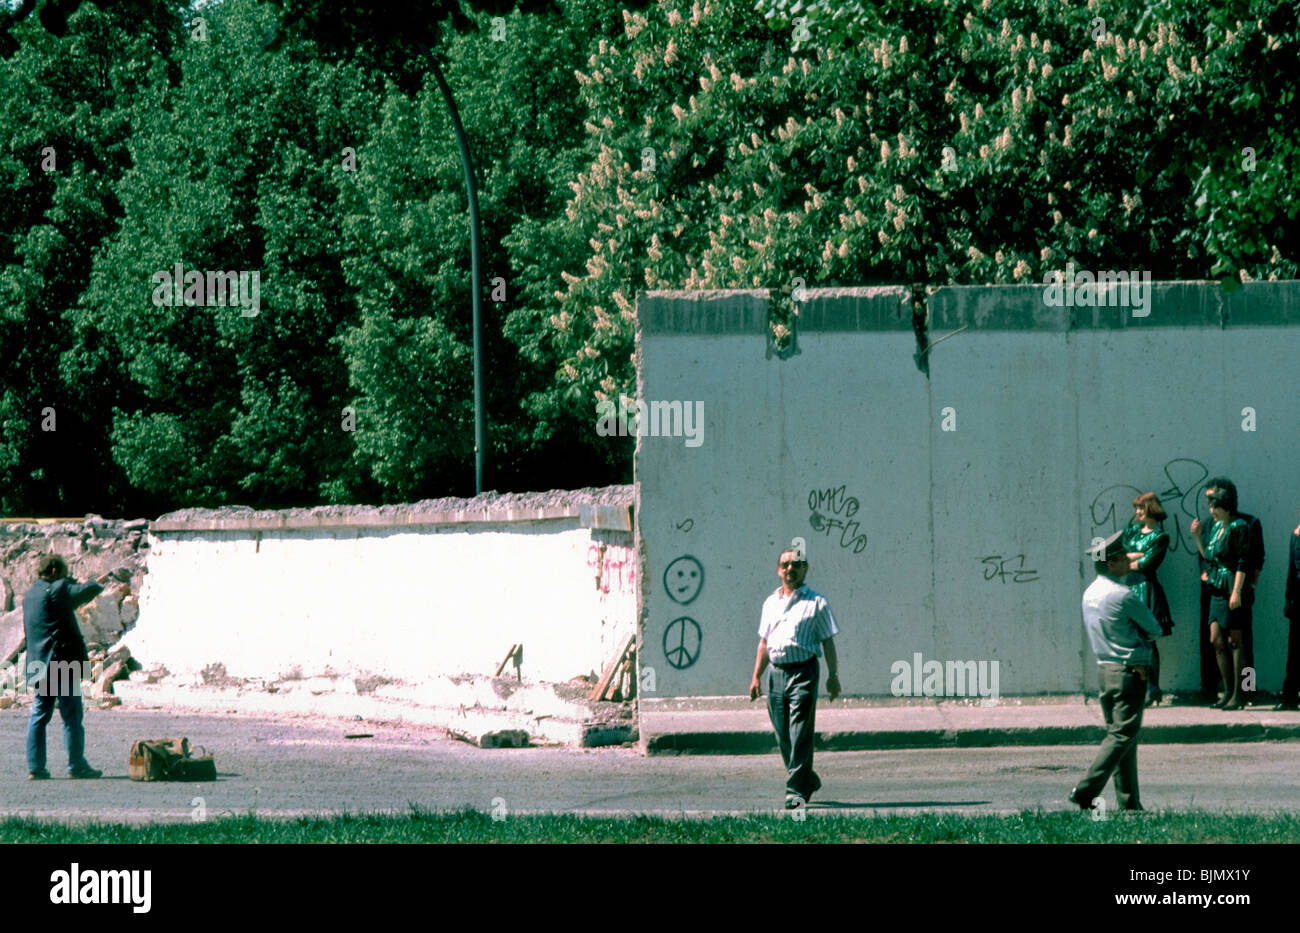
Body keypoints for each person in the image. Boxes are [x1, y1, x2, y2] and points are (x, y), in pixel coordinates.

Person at [1070, 531, 1164, 813]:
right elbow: (1155, 628)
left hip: (1104, 670)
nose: (1128, 561)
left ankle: (1130, 805)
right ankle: (1086, 790)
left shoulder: (1089, 594)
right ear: (1111, 563)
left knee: (1124, 738)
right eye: (1123, 557)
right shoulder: (1124, 595)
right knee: (1122, 735)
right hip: (1129, 672)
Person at [749, 547, 841, 810]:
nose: (791, 569)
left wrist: (833, 676)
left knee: (800, 730)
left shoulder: (817, 603)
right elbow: (764, 643)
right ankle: (807, 777)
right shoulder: (770, 603)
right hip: (775, 673)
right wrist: (756, 676)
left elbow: (828, 643)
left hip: (804, 672)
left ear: (805, 569)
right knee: (782, 733)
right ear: (779, 570)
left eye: (796, 565)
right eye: (785, 565)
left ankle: (796, 791)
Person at [23, 555, 115, 779]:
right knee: (72, 716)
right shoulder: (59, 589)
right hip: (61, 661)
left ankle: (36, 767)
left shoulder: (30, 595)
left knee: (39, 715)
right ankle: (76, 765)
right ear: (55, 570)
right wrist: (86, 579)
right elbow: (88, 590)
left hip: (38, 662)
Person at [1197, 478, 1264, 704]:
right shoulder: (1209, 524)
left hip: (1238, 589)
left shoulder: (1249, 523)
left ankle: (1247, 689)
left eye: (1212, 500)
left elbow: (1255, 559)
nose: (1209, 506)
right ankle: (1219, 689)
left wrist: (1249, 587)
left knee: (1243, 642)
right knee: (1215, 640)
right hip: (1215, 587)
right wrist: (1205, 573)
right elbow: (1205, 555)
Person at [1123, 493, 1174, 706]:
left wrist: (1131, 559)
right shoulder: (1132, 530)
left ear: (1151, 509)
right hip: (1130, 588)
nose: (1137, 512)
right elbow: (1118, 555)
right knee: (1132, 641)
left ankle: (1152, 688)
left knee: (1148, 641)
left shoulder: (1160, 537)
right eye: (1136, 508)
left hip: (1146, 589)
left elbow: (1148, 563)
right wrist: (1135, 557)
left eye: (1141, 508)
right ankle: (1138, 687)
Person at [1278, 509, 1300, 710]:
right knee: (1294, 649)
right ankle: (1290, 696)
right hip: (1297, 600)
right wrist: (1288, 599)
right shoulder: (1295, 536)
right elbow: (1291, 571)